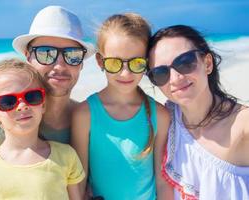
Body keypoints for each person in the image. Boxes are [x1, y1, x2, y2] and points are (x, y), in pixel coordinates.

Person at [0, 5, 94, 193]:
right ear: (28, 57)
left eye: (72, 55)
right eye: (45, 53)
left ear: (81, 63)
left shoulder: (89, 120)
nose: (59, 65)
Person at [71, 13, 172, 200]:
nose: (125, 73)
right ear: (100, 61)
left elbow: (163, 181)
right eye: (115, 63)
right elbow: (78, 181)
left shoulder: (160, 115)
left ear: (147, 63)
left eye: (136, 62)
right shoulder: (84, 114)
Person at [146, 25, 249, 200]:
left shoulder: (242, 124)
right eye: (161, 73)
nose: (175, 78)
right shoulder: (165, 121)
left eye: (185, 63)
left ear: (207, 64)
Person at [0, 59, 85, 199]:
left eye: (32, 97)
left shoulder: (66, 156)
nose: (22, 106)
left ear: (44, 104)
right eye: (8, 101)